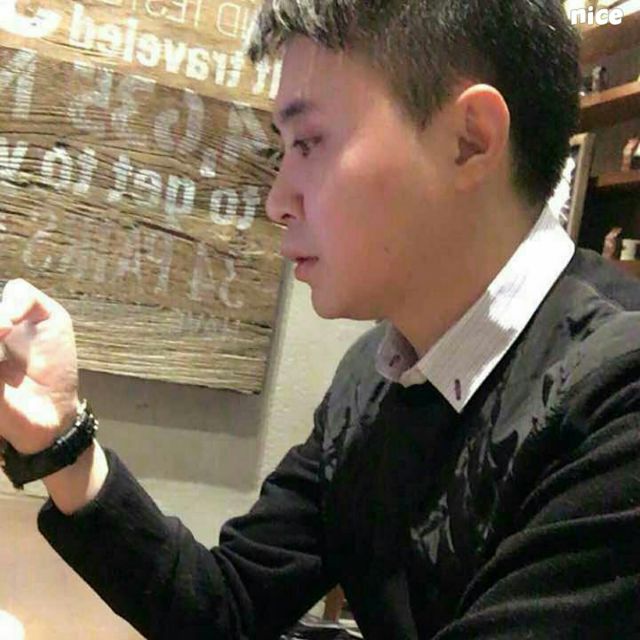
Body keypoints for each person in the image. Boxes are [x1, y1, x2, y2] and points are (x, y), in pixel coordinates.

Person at [0, 1, 639, 638]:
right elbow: (228, 610)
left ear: (469, 140)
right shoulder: (376, 377)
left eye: (307, 142)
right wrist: (58, 439)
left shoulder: (619, 402)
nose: (278, 200)